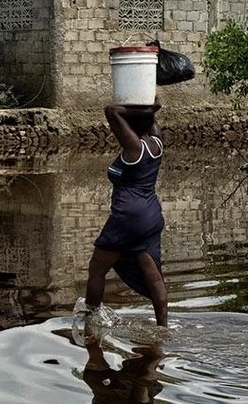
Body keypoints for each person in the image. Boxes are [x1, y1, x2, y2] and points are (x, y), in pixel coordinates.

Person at [85, 99, 167, 327]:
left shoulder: (135, 148)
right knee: (153, 276)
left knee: (97, 269)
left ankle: (90, 321)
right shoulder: (157, 140)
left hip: (127, 217)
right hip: (151, 216)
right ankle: (163, 326)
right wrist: (149, 104)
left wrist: (144, 108)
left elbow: (111, 111)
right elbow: (152, 112)